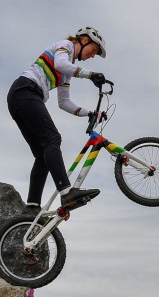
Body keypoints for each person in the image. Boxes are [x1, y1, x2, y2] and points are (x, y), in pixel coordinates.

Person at [7, 27, 108, 215]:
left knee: (43, 155)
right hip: (25, 91)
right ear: (84, 40)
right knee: (53, 139)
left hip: (20, 97)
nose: (92, 55)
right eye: (93, 50)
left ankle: (31, 208)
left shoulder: (67, 72)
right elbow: (61, 64)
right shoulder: (66, 46)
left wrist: (89, 113)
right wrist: (91, 75)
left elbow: (64, 102)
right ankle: (66, 191)